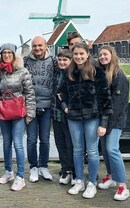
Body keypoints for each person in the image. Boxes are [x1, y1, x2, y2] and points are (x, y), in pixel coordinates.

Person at [57, 43, 112, 199]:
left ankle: (92, 183)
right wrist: (65, 107)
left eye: (82, 54)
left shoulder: (97, 72)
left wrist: (103, 123)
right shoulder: (69, 72)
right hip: (73, 116)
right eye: (76, 54)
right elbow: (60, 92)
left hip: (92, 116)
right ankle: (79, 180)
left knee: (93, 150)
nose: (79, 57)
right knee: (77, 150)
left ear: (88, 54)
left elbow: (106, 98)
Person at [0, 43, 36, 191]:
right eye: (4, 52)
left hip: (18, 111)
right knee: (6, 142)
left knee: (18, 143)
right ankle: (8, 171)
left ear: (14, 55)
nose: (7, 55)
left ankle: (20, 176)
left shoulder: (22, 71)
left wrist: (30, 112)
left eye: (9, 53)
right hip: (3, 110)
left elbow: (29, 92)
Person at [98, 45, 130, 201]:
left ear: (112, 55)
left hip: (115, 120)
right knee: (105, 150)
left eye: (105, 54)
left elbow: (117, 104)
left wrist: (105, 125)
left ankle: (123, 185)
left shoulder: (118, 76)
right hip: (105, 119)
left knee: (112, 150)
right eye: (101, 55)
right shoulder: (103, 73)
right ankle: (110, 176)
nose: (103, 57)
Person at [23, 36, 56, 182]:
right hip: (31, 105)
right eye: (34, 46)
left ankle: (43, 165)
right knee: (31, 139)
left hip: (47, 105)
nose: (37, 48)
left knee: (45, 139)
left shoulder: (53, 61)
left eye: (40, 46)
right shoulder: (25, 61)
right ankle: (33, 167)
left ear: (46, 46)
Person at [53, 49, 75, 185]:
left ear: (70, 61)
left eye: (65, 60)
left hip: (69, 115)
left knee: (71, 144)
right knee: (60, 143)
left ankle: (74, 171)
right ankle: (65, 169)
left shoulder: (73, 74)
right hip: (56, 114)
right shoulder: (55, 73)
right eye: (60, 60)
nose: (61, 62)